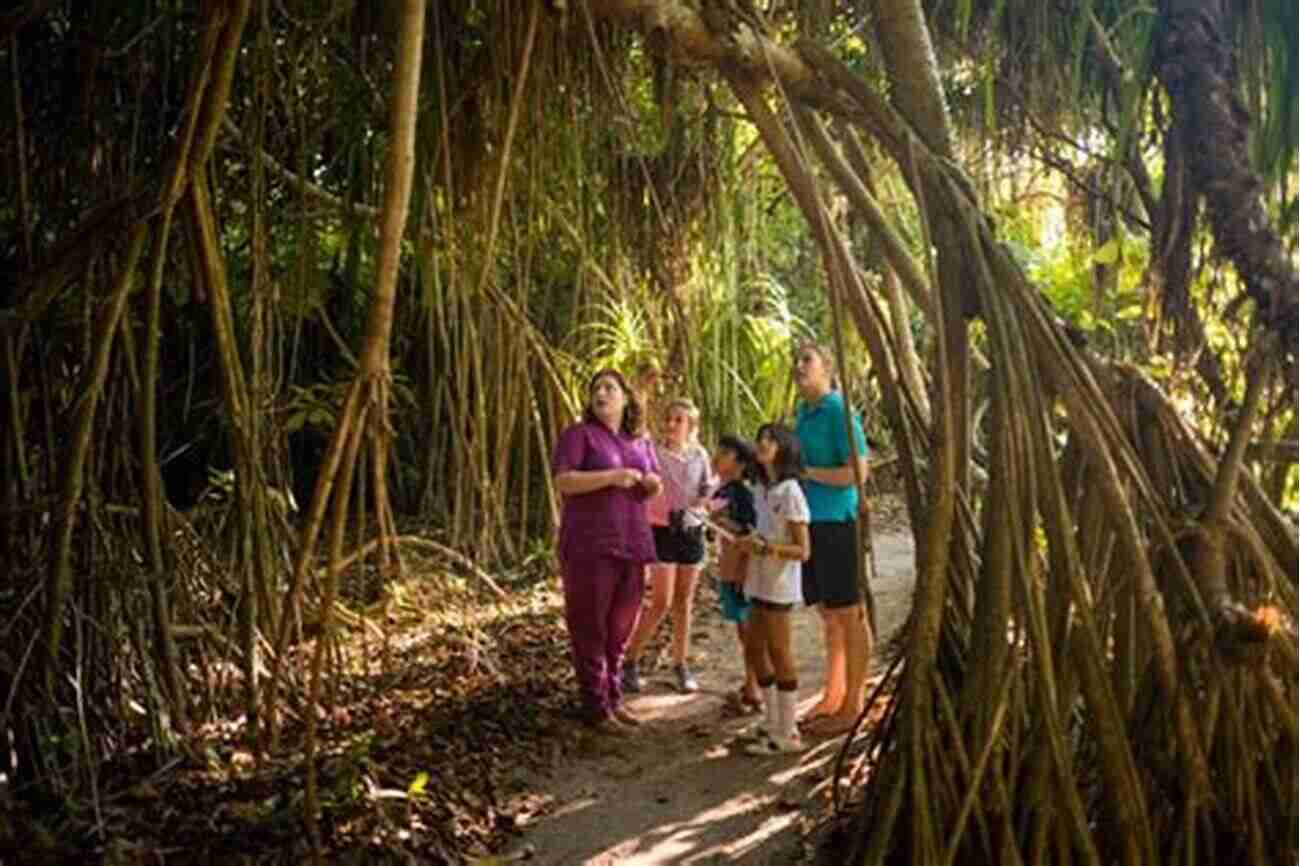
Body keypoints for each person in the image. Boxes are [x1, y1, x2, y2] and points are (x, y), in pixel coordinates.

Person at [552, 369, 663, 734]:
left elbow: (655, 485)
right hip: (589, 546)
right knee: (589, 626)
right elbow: (563, 481)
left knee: (619, 629)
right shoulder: (578, 435)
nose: (601, 393)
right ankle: (596, 708)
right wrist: (611, 477)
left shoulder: (640, 442)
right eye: (596, 388)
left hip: (632, 544)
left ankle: (613, 698)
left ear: (625, 398)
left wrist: (650, 484)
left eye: (609, 388)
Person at [792, 342, 873, 736]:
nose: (798, 365)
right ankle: (833, 694)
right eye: (797, 360)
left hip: (838, 522)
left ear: (827, 368)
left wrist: (808, 474)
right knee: (828, 614)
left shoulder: (839, 411)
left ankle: (853, 705)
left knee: (849, 612)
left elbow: (858, 473)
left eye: (807, 360)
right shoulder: (803, 413)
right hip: (810, 523)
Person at [622, 398, 713, 694]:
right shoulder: (654, 452)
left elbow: (706, 491)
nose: (672, 424)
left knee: (684, 602)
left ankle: (680, 664)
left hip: (691, 532)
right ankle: (630, 660)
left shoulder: (700, 455)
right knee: (661, 600)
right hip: (661, 532)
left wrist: (703, 504)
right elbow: (644, 488)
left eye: (679, 420)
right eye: (669, 419)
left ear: (691, 427)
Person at [735, 423, 811, 755]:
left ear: (784, 448)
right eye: (760, 437)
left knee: (779, 651)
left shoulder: (791, 491)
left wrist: (767, 549)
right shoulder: (763, 489)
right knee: (754, 647)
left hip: (779, 581)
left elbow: (802, 549)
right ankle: (771, 719)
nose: (762, 443)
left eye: (771, 439)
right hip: (759, 577)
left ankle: (789, 732)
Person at [705, 434, 761, 711]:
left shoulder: (740, 492)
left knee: (748, 630)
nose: (716, 457)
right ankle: (751, 683)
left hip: (740, 568)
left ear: (740, 463)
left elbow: (749, 532)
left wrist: (721, 520)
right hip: (730, 566)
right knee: (743, 630)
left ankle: (754, 687)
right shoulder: (725, 490)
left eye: (724, 453)